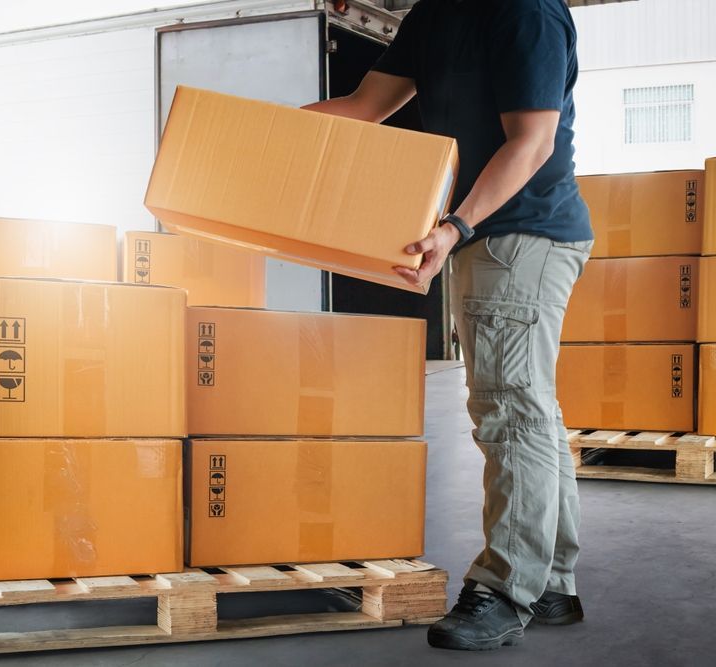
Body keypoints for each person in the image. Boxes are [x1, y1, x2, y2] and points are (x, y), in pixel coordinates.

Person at [304, 0, 594, 652]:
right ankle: (551, 580)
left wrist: (455, 224)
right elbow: (362, 106)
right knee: (528, 406)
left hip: (526, 232)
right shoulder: (434, 15)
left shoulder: (524, 11)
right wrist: (256, 131)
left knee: (508, 409)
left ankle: (504, 587)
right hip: (487, 234)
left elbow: (533, 140)